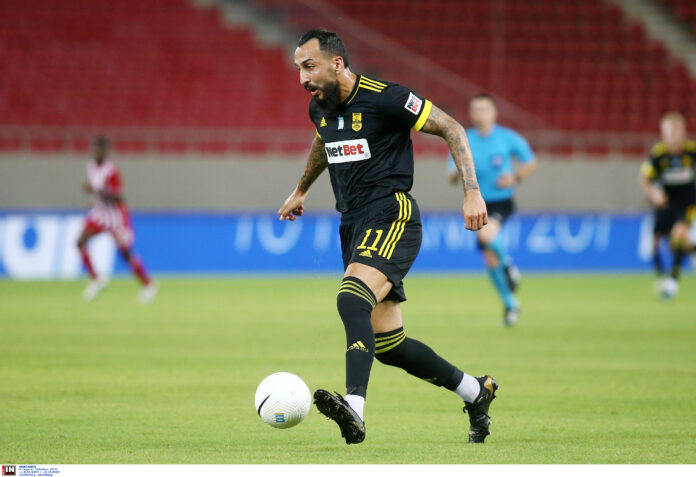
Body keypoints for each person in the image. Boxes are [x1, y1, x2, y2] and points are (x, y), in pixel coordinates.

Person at [278, 29, 497, 445]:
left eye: (309, 66)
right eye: (298, 69)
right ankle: (475, 391)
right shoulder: (318, 107)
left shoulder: (386, 98)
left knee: (351, 298)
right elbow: (324, 139)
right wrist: (302, 189)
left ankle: (354, 409)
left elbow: (452, 127)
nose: (303, 78)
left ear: (337, 63)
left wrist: (472, 192)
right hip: (353, 223)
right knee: (389, 345)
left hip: (391, 213)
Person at [447, 94, 536, 326]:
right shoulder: (463, 139)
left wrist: (515, 178)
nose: (480, 114)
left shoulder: (507, 137)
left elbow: (530, 161)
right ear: (471, 113)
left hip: (501, 201)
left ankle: (508, 266)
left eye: (485, 109)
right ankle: (510, 304)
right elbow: (450, 176)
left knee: (486, 237)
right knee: (489, 257)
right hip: (476, 202)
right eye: (476, 109)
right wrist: (458, 171)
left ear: (494, 112)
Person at [77, 136, 157, 304]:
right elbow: (96, 191)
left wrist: (96, 190)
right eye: (94, 149)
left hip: (115, 217)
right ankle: (96, 279)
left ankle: (148, 285)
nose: (96, 152)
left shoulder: (111, 170)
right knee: (80, 241)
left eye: (99, 149)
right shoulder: (91, 166)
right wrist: (93, 198)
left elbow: (118, 196)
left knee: (125, 253)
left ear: (105, 151)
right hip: (99, 214)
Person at [639, 112, 696, 299]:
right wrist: (654, 193)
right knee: (656, 242)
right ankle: (662, 275)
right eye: (668, 131)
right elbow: (644, 178)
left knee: (679, 234)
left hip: (687, 203)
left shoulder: (692, 150)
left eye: (675, 130)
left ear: (683, 131)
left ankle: (672, 281)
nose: (672, 135)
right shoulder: (658, 153)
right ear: (663, 132)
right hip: (665, 204)